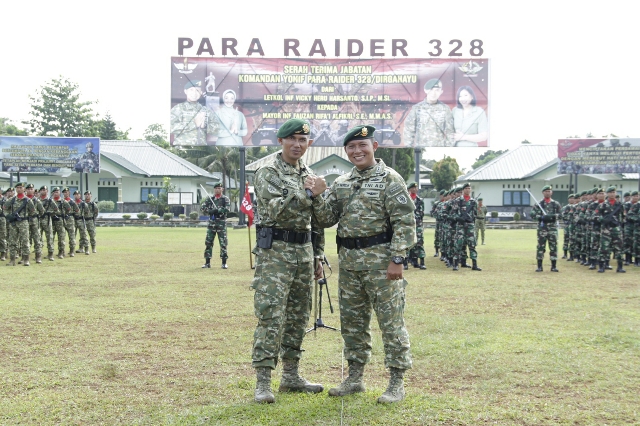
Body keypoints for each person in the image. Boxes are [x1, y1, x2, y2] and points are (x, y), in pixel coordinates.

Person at [316, 124, 416, 404]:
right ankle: (355, 379)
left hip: (382, 265)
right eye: (351, 147)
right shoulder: (342, 183)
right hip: (349, 266)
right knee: (352, 325)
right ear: (346, 151)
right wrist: (317, 196)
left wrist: (397, 258)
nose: (357, 151)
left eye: (363, 146)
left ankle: (396, 382)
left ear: (374, 147)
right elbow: (326, 219)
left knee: (391, 323)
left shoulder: (390, 179)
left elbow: (405, 222)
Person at [250, 118, 329, 404]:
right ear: (281, 141)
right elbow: (277, 211)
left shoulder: (310, 174)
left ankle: (291, 376)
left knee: (298, 316)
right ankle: (263, 382)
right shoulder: (267, 172)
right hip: (276, 253)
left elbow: (317, 221)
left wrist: (318, 254)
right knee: (271, 314)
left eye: (303, 140)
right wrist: (310, 192)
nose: (298, 144)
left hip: (303, 252)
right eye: (292, 138)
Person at [402, 79, 454, 147]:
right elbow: (408, 130)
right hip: (420, 149)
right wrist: (408, 148)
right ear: (426, 90)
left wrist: (447, 149)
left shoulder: (445, 109)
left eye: (437, 90)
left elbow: (450, 132)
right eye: (431, 89)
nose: (433, 93)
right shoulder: (417, 108)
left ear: (441, 92)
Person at [170, 80, 220, 145]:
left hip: (202, 149)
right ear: (185, 91)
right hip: (182, 149)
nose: (194, 93)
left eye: (197, 90)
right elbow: (170, 127)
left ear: (201, 92)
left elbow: (217, 129)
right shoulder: (179, 108)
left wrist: (205, 126)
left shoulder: (206, 110)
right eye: (191, 90)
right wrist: (194, 124)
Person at [529, 185, 563, 272]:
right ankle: (539, 266)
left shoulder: (555, 204)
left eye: (549, 191)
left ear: (552, 192)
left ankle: (553, 266)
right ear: (543, 193)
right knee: (540, 247)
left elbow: (561, 215)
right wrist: (542, 217)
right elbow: (532, 215)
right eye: (546, 191)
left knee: (553, 247)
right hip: (542, 229)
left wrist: (552, 216)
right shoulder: (538, 204)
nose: (547, 192)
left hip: (552, 229)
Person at [3, 182, 36, 266]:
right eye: (17, 187)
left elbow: (33, 212)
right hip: (14, 223)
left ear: (24, 189)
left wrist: (26, 217)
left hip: (23, 223)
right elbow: (5, 208)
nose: (19, 189)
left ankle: (26, 260)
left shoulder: (28, 200)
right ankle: (12, 260)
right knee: (12, 241)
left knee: (25, 241)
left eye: (21, 187)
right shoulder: (12, 200)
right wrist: (8, 216)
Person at [451, 183, 481, 271]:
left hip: (470, 226)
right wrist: (458, 218)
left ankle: (474, 264)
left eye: (469, 188)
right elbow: (453, 213)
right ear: (463, 190)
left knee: (472, 245)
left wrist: (470, 219)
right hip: (460, 226)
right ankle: (455, 264)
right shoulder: (458, 200)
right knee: (458, 244)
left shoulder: (473, 202)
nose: (468, 190)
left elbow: (475, 214)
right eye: (466, 188)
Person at [595, 187, 626, 273]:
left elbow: (624, 217)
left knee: (619, 248)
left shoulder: (620, 204)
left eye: (613, 192)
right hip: (606, 229)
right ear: (607, 194)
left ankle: (620, 267)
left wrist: (618, 223)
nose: (612, 194)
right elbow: (596, 216)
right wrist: (603, 220)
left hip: (617, 229)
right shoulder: (602, 205)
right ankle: (601, 266)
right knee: (604, 248)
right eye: (610, 192)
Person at [200, 183, 230, 269]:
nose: (217, 189)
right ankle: (207, 262)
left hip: (221, 223)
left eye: (219, 188)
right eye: (216, 188)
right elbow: (202, 208)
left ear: (222, 189)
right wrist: (210, 211)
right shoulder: (210, 199)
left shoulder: (225, 199)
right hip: (211, 224)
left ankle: (224, 262)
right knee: (208, 242)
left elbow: (227, 209)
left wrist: (219, 210)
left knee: (223, 243)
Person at [405, 182, 426, 269]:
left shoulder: (420, 200)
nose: (414, 189)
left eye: (415, 187)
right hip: (408, 224)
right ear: (409, 189)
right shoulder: (406, 199)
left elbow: (422, 213)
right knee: (407, 243)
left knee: (419, 242)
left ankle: (421, 262)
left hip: (418, 225)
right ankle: (405, 263)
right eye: (412, 187)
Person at [39, 185, 60, 261]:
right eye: (42, 190)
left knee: (49, 238)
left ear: (47, 191)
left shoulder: (50, 201)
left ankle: (50, 254)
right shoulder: (37, 200)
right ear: (40, 191)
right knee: (38, 237)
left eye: (45, 190)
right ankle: (38, 254)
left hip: (47, 220)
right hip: (39, 221)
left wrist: (49, 213)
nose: (43, 191)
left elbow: (57, 210)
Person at [24, 183, 44, 264]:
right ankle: (25, 257)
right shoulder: (23, 199)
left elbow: (42, 211)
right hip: (25, 221)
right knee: (25, 239)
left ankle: (38, 257)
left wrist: (36, 216)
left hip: (35, 221)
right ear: (26, 190)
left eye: (31, 189)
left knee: (37, 239)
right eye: (28, 189)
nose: (30, 190)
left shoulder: (37, 200)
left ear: (33, 190)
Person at [50, 187, 70, 259]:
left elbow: (68, 209)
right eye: (54, 192)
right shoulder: (50, 201)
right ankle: (50, 253)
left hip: (60, 220)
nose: (56, 193)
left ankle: (61, 252)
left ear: (60, 193)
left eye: (57, 191)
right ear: (52, 193)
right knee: (51, 237)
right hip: (51, 220)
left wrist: (63, 214)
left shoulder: (63, 201)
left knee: (61, 237)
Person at [62, 187, 79, 257]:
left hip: (70, 219)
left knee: (72, 236)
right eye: (64, 192)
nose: (66, 193)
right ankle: (62, 251)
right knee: (62, 236)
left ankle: (72, 251)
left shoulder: (72, 202)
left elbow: (77, 210)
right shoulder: (61, 201)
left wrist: (74, 217)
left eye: (67, 192)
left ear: (69, 193)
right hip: (62, 219)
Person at [0, 188, 7, 261]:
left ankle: (3, 253)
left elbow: (6, 209)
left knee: (2, 236)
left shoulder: (4, 200)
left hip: (2, 218)